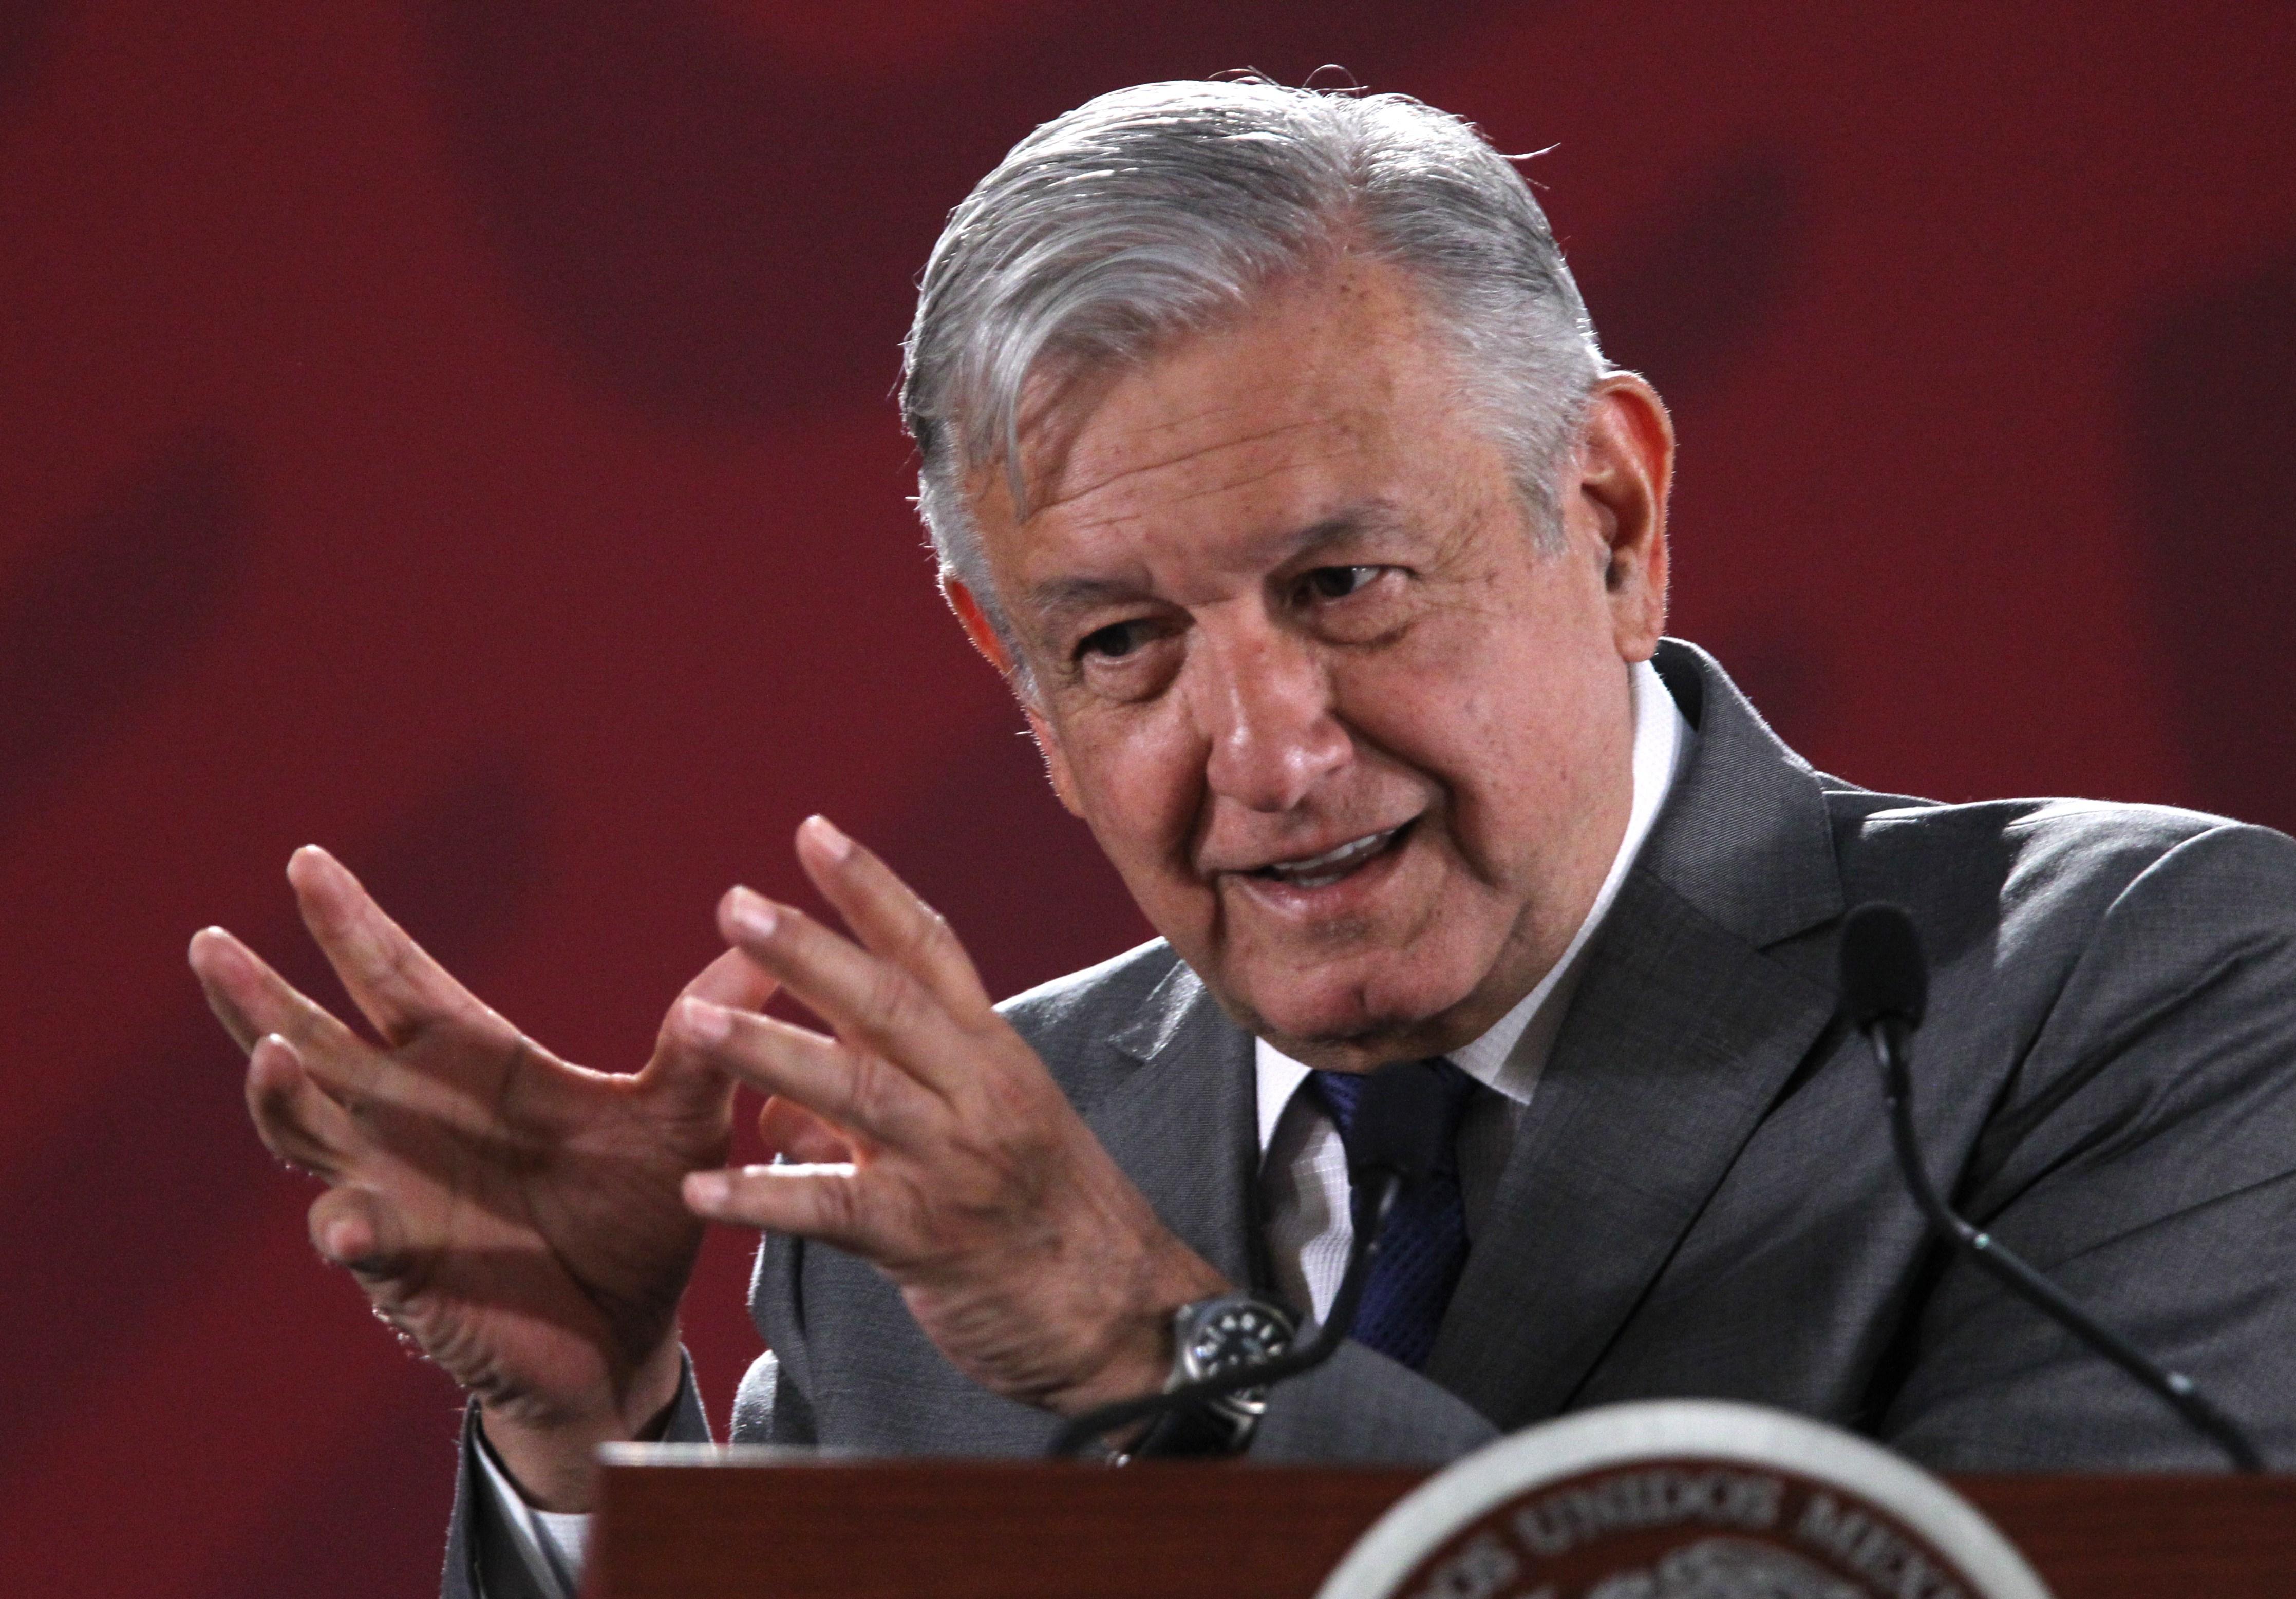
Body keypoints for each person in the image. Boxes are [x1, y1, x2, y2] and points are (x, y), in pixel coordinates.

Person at [189, 79, 2296, 1599]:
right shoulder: (939, 1195)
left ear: (1611, 516)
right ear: (1015, 675)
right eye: (1121, 642)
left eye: (1344, 584)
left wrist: (1160, 1358)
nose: (1268, 753)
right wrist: (595, 1445)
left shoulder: (2139, 986)